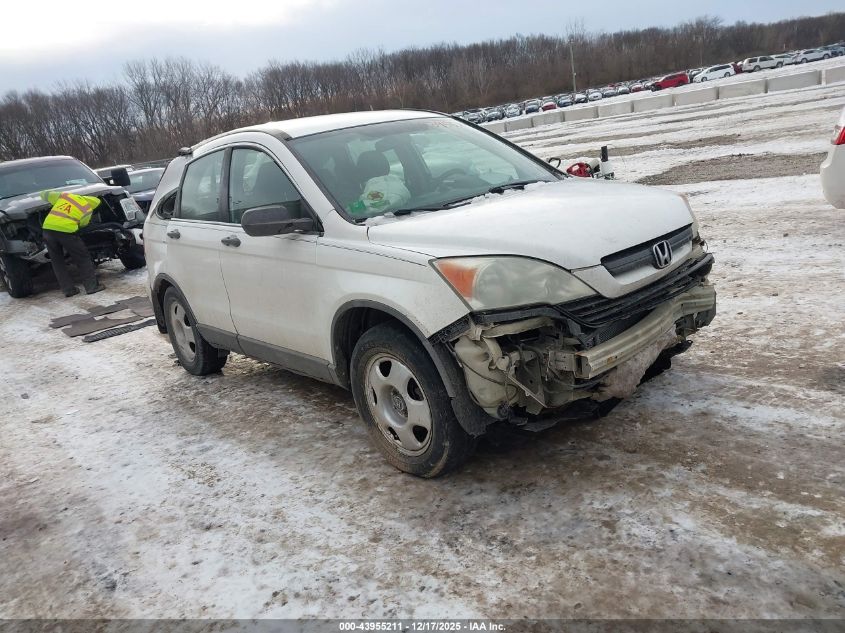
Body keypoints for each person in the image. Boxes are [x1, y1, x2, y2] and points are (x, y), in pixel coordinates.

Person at [40, 190, 105, 296]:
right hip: (66, 232)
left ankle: (68, 290)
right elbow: (83, 225)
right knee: (83, 258)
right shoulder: (87, 208)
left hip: (47, 229)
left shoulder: (66, 196)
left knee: (57, 262)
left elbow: (44, 194)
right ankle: (92, 287)